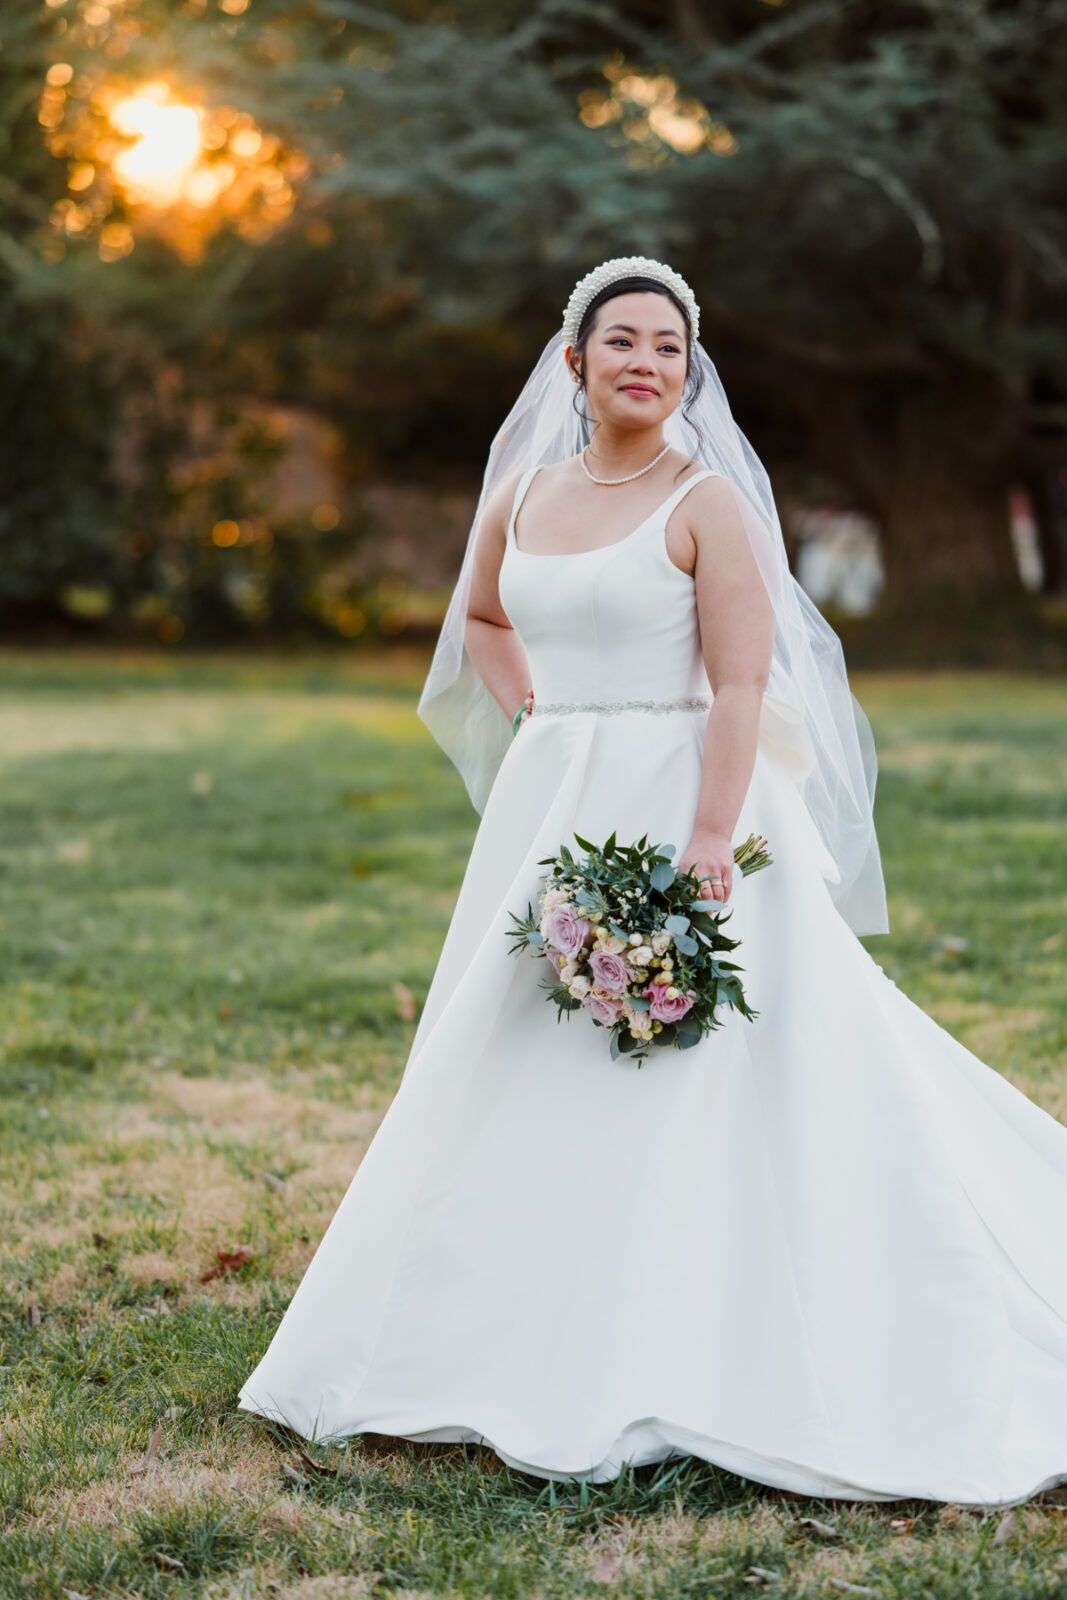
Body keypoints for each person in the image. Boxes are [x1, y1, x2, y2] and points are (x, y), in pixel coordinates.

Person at [240, 256, 1067, 1509]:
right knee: (519, 1038)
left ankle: (704, 1328)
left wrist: (706, 839)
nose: (645, 362)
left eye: (668, 348)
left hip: (692, 798)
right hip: (560, 800)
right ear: (571, 363)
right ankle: (497, 1323)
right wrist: (544, 720)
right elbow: (480, 619)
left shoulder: (706, 502)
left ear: (687, 371)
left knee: (731, 1056)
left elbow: (739, 683)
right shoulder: (520, 493)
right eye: (620, 341)